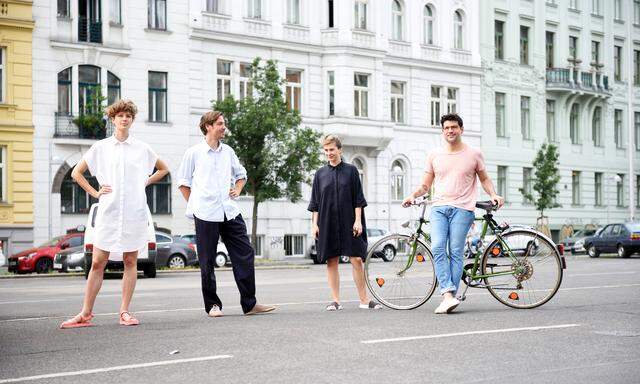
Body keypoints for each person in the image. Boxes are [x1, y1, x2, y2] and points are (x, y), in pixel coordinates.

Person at [60, 100, 169, 328]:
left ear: (132, 119)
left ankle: (124, 312)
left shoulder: (142, 148)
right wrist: (95, 193)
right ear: (113, 119)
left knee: (131, 261)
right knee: (98, 262)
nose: (124, 118)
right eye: (120, 115)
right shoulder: (100, 147)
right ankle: (85, 313)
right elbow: (77, 173)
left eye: (128, 115)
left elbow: (164, 168)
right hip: (109, 212)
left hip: (134, 212)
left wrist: (144, 182)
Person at [402, 114, 504, 314]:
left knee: (455, 251)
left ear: (461, 129)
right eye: (447, 128)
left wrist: (493, 194)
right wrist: (412, 195)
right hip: (439, 208)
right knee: (439, 247)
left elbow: (484, 178)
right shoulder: (434, 154)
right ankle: (448, 295)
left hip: (463, 208)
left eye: (454, 127)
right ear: (442, 131)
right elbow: (426, 184)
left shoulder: (474, 153)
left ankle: (449, 296)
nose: (450, 131)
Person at [177, 111, 275, 317]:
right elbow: (183, 183)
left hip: (229, 211)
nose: (224, 127)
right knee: (207, 260)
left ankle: (249, 304)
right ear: (208, 126)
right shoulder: (193, 153)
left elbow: (241, 175)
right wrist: (196, 206)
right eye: (220, 124)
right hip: (205, 214)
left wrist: (238, 190)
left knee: (246, 253)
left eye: (224, 123)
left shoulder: (228, 152)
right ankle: (213, 305)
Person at [308, 134, 381, 311]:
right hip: (327, 222)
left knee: (356, 258)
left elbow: (358, 199)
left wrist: (358, 221)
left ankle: (364, 300)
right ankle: (335, 300)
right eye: (326, 150)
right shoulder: (320, 174)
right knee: (331, 260)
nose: (329, 153)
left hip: (350, 221)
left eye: (332, 149)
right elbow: (315, 202)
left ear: (339, 149)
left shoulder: (351, 171)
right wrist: (314, 224)